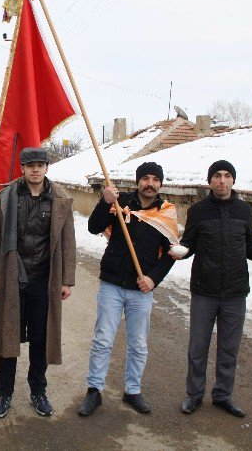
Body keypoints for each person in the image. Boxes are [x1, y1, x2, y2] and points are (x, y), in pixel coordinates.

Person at [172, 160, 252, 418]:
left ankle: (223, 395)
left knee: (229, 348)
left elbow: (250, 246)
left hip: (235, 292)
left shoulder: (244, 210)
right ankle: (194, 394)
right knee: (198, 347)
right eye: (216, 176)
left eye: (226, 176)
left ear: (233, 180)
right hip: (204, 290)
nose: (221, 181)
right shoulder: (198, 211)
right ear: (209, 181)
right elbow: (188, 244)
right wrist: (179, 252)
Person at [0, 147, 76, 419]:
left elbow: (68, 242)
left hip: (44, 280)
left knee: (40, 337)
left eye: (40, 164)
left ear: (47, 167)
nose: (35, 169)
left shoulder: (61, 200)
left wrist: (66, 280)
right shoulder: (7, 196)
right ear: (22, 168)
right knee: (7, 336)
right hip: (12, 276)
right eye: (30, 165)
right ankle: (4, 392)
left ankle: (38, 390)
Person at [77, 162, 177, 416]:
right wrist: (104, 201)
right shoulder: (120, 204)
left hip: (141, 289)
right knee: (102, 340)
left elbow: (169, 255)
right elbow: (93, 227)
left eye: (155, 179)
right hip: (112, 283)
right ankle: (94, 391)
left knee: (138, 344)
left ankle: (132, 390)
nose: (150, 183)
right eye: (145, 178)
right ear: (138, 181)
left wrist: (153, 279)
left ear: (161, 184)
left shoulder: (166, 213)